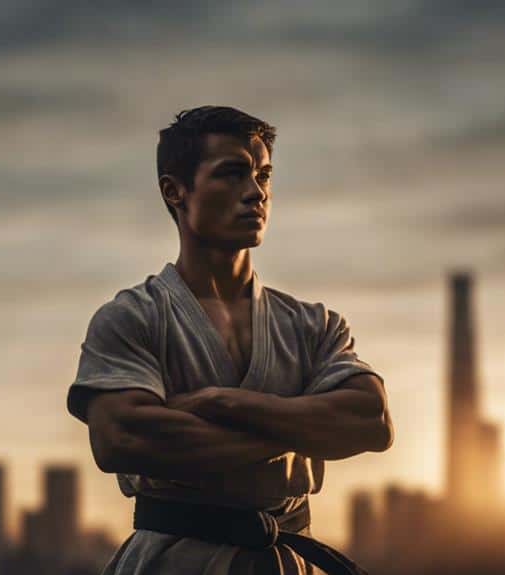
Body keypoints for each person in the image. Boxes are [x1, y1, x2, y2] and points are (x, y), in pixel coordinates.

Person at [67, 105, 393, 574]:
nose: (255, 193)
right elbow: (121, 437)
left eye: (263, 175)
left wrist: (223, 402)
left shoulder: (313, 325)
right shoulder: (131, 317)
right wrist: (302, 426)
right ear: (174, 190)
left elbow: (371, 420)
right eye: (233, 174)